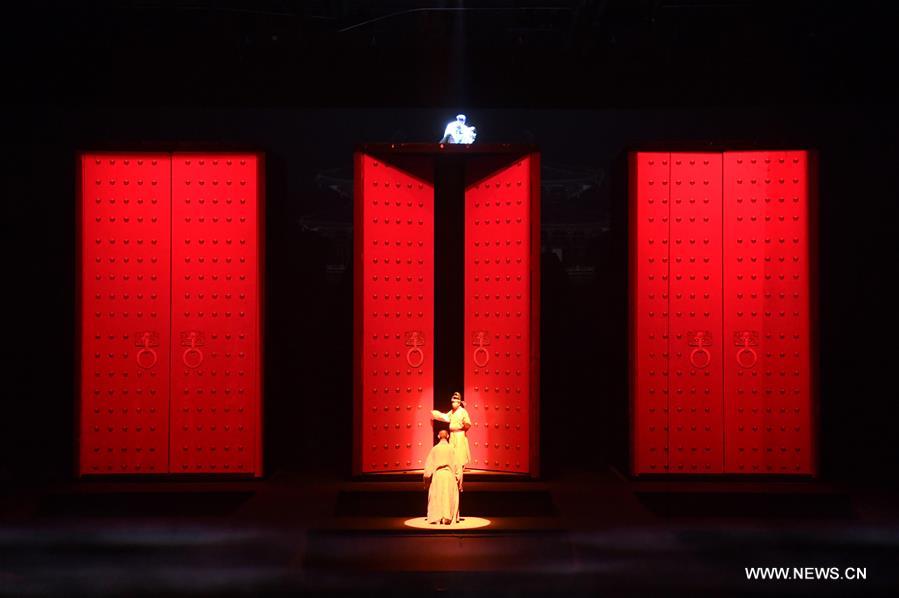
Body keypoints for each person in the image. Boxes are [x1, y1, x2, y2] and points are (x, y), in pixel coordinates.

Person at [423, 430, 461, 525]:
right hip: (449, 475)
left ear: (438, 436)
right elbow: (458, 466)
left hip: (438, 475)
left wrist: (426, 482)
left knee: (437, 496)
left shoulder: (434, 449)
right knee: (448, 496)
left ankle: (437, 518)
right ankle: (447, 518)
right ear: (448, 436)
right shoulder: (452, 449)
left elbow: (428, 468)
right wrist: (459, 481)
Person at [431, 392, 471, 470]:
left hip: (459, 433)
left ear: (459, 403)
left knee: (460, 450)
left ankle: (461, 466)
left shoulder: (463, 411)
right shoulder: (452, 411)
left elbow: (468, 423)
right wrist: (437, 414)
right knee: (452, 449)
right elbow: (446, 417)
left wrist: (464, 427)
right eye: (452, 402)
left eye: (454, 402)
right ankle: (454, 465)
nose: (453, 403)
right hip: (452, 434)